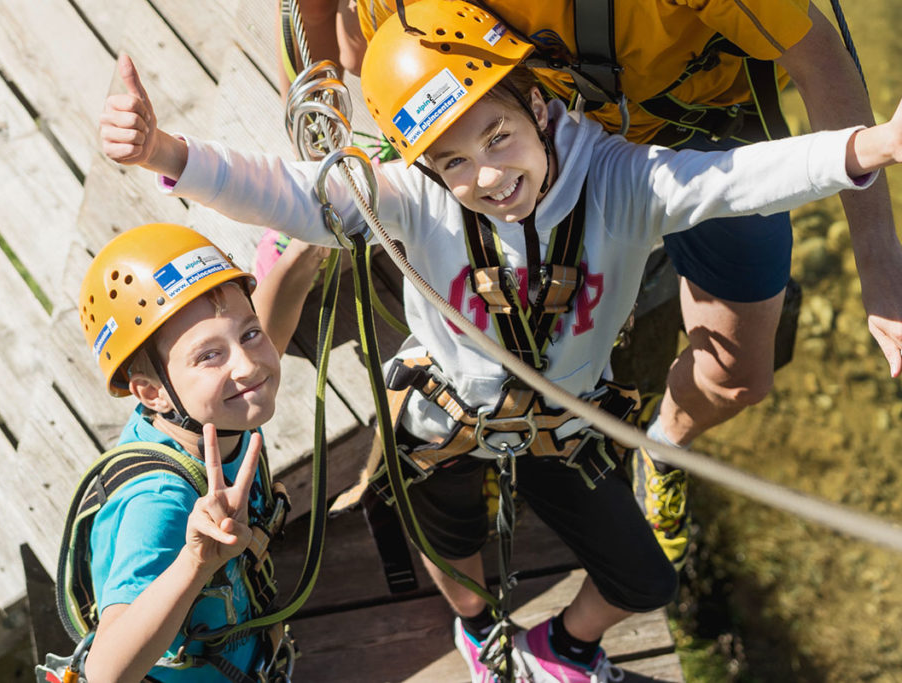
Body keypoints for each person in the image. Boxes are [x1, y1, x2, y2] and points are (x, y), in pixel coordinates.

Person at [98, 1, 902, 679]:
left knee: (643, 575)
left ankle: (563, 640)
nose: (485, 178)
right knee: (450, 553)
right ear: (420, 163)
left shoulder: (622, 182)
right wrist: (167, 154)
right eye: (450, 161)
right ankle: (480, 630)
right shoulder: (412, 196)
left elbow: (732, 180)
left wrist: (867, 147)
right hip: (441, 419)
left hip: (567, 424)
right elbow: (281, 186)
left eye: (497, 140)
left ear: (543, 108)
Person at [351, 0, 902, 571]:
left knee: (739, 377)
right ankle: (494, 442)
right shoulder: (399, 7)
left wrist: (880, 260)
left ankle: (661, 449)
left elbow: (819, 56)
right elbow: (346, 40)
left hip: (693, 129)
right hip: (514, 140)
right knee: (508, 342)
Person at [74, 222, 319, 682]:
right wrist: (195, 563)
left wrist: (306, 252)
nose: (248, 365)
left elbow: (272, 331)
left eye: (248, 335)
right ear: (151, 392)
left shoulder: (215, 409)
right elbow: (105, 673)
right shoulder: (161, 502)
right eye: (209, 356)